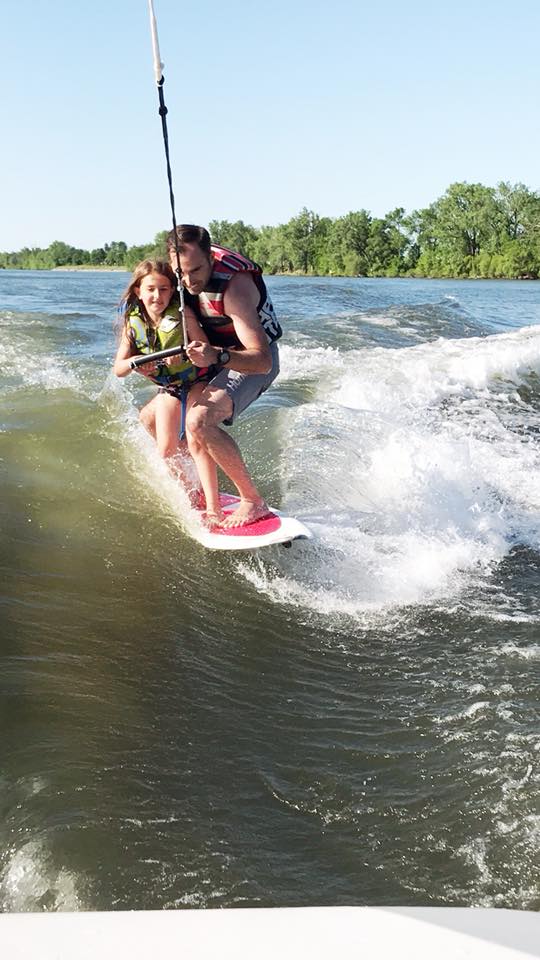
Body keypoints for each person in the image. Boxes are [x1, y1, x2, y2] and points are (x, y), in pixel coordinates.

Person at [169, 224, 283, 528]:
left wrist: (217, 356)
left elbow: (261, 361)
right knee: (160, 416)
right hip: (211, 354)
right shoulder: (177, 276)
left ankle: (252, 501)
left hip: (250, 358)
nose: (188, 281)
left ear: (211, 258)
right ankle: (199, 489)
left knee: (199, 421)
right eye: (181, 273)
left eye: (196, 270)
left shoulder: (234, 288)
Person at [113, 258, 225, 522]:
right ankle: (191, 492)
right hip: (170, 387)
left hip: (198, 381)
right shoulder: (133, 323)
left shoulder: (182, 314)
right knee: (166, 450)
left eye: (164, 289)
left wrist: (186, 356)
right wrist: (137, 364)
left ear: (172, 292)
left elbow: (204, 347)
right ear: (139, 292)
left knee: (197, 440)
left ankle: (214, 508)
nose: (157, 296)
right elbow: (119, 368)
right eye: (151, 289)